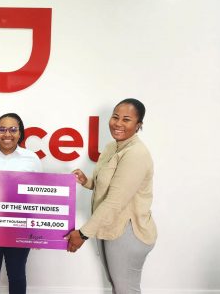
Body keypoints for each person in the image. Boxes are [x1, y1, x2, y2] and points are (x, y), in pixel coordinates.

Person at [66, 98, 157, 294]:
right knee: (117, 286)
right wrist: (87, 181)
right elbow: (108, 185)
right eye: (115, 117)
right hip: (109, 226)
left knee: (125, 289)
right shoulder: (111, 147)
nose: (118, 123)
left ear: (138, 125)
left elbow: (115, 201)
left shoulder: (136, 154)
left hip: (128, 231)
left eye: (127, 120)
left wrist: (82, 234)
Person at [0, 113, 42, 294]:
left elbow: (38, 195)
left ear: (20, 133)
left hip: (20, 228)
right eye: (2, 129)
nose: (7, 134)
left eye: (13, 129)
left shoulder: (32, 159)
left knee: (17, 275)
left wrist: (37, 230)